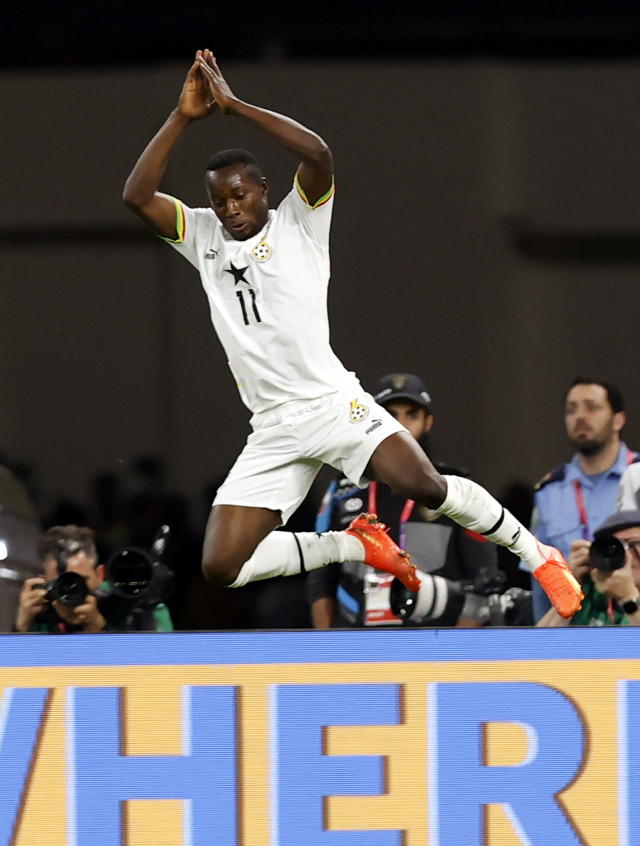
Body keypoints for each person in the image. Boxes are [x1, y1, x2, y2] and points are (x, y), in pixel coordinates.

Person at [122, 48, 581, 619]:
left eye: (240, 194)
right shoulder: (205, 234)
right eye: (220, 199)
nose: (231, 207)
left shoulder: (301, 219)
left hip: (332, 404)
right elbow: (136, 197)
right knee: (222, 564)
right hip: (272, 428)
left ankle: (539, 556)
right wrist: (181, 117)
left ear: (265, 189)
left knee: (427, 488)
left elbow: (318, 152)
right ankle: (355, 542)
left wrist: (235, 106)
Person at [308, 373, 511, 628]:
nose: (400, 425)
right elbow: (320, 579)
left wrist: (450, 658)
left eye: (411, 415)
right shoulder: (342, 490)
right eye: (390, 415)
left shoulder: (459, 490)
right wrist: (329, 651)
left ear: (428, 422)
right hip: (354, 646)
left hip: (432, 646)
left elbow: (484, 583)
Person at [525, 377, 639, 622]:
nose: (580, 416)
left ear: (618, 419)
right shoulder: (549, 491)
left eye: (592, 407)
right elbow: (538, 581)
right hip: (573, 628)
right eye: (571, 409)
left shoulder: (637, 476)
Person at [14, 525, 173, 633]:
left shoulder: (133, 608)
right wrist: (20, 629)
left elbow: (164, 669)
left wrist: (99, 628)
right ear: (42, 582)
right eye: (61, 584)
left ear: (100, 575)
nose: (72, 592)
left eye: (81, 580)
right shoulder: (38, 613)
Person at [537, 510, 640, 627]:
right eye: (616, 548)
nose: (627, 557)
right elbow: (538, 643)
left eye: (634, 545)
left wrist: (628, 600)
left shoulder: (628, 598)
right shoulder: (590, 593)